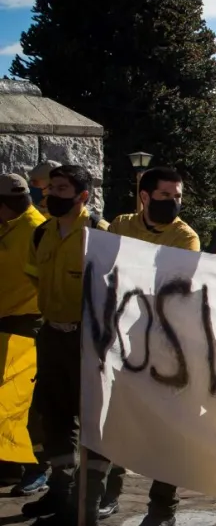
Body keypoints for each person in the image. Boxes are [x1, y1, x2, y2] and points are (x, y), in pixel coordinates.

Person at [105, 167, 200, 526]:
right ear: (144, 197)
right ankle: (109, 494)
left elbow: (173, 286)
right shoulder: (120, 225)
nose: (173, 203)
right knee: (117, 419)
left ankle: (163, 507)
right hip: (121, 340)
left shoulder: (185, 237)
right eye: (165, 196)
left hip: (165, 345)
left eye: (177, 197)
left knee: (166, 428)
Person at [21, 165, 111, 525]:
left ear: (82, 196)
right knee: (54, 414)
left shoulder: (100, 235)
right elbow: (33, 279)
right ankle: (60, 489)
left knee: (90, 417)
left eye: (61, 189)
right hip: (51, 336)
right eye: (51, 189)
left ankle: (86, 500)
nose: (51, 195)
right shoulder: (42, 233)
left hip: (87, 339)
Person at [0, 174, 48, 496]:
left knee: (24, 401)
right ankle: (9, 465)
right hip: (7, 321)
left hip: (26, 322)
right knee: (5, 400)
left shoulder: (36, 230)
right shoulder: (10, 226)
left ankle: (37, 468)